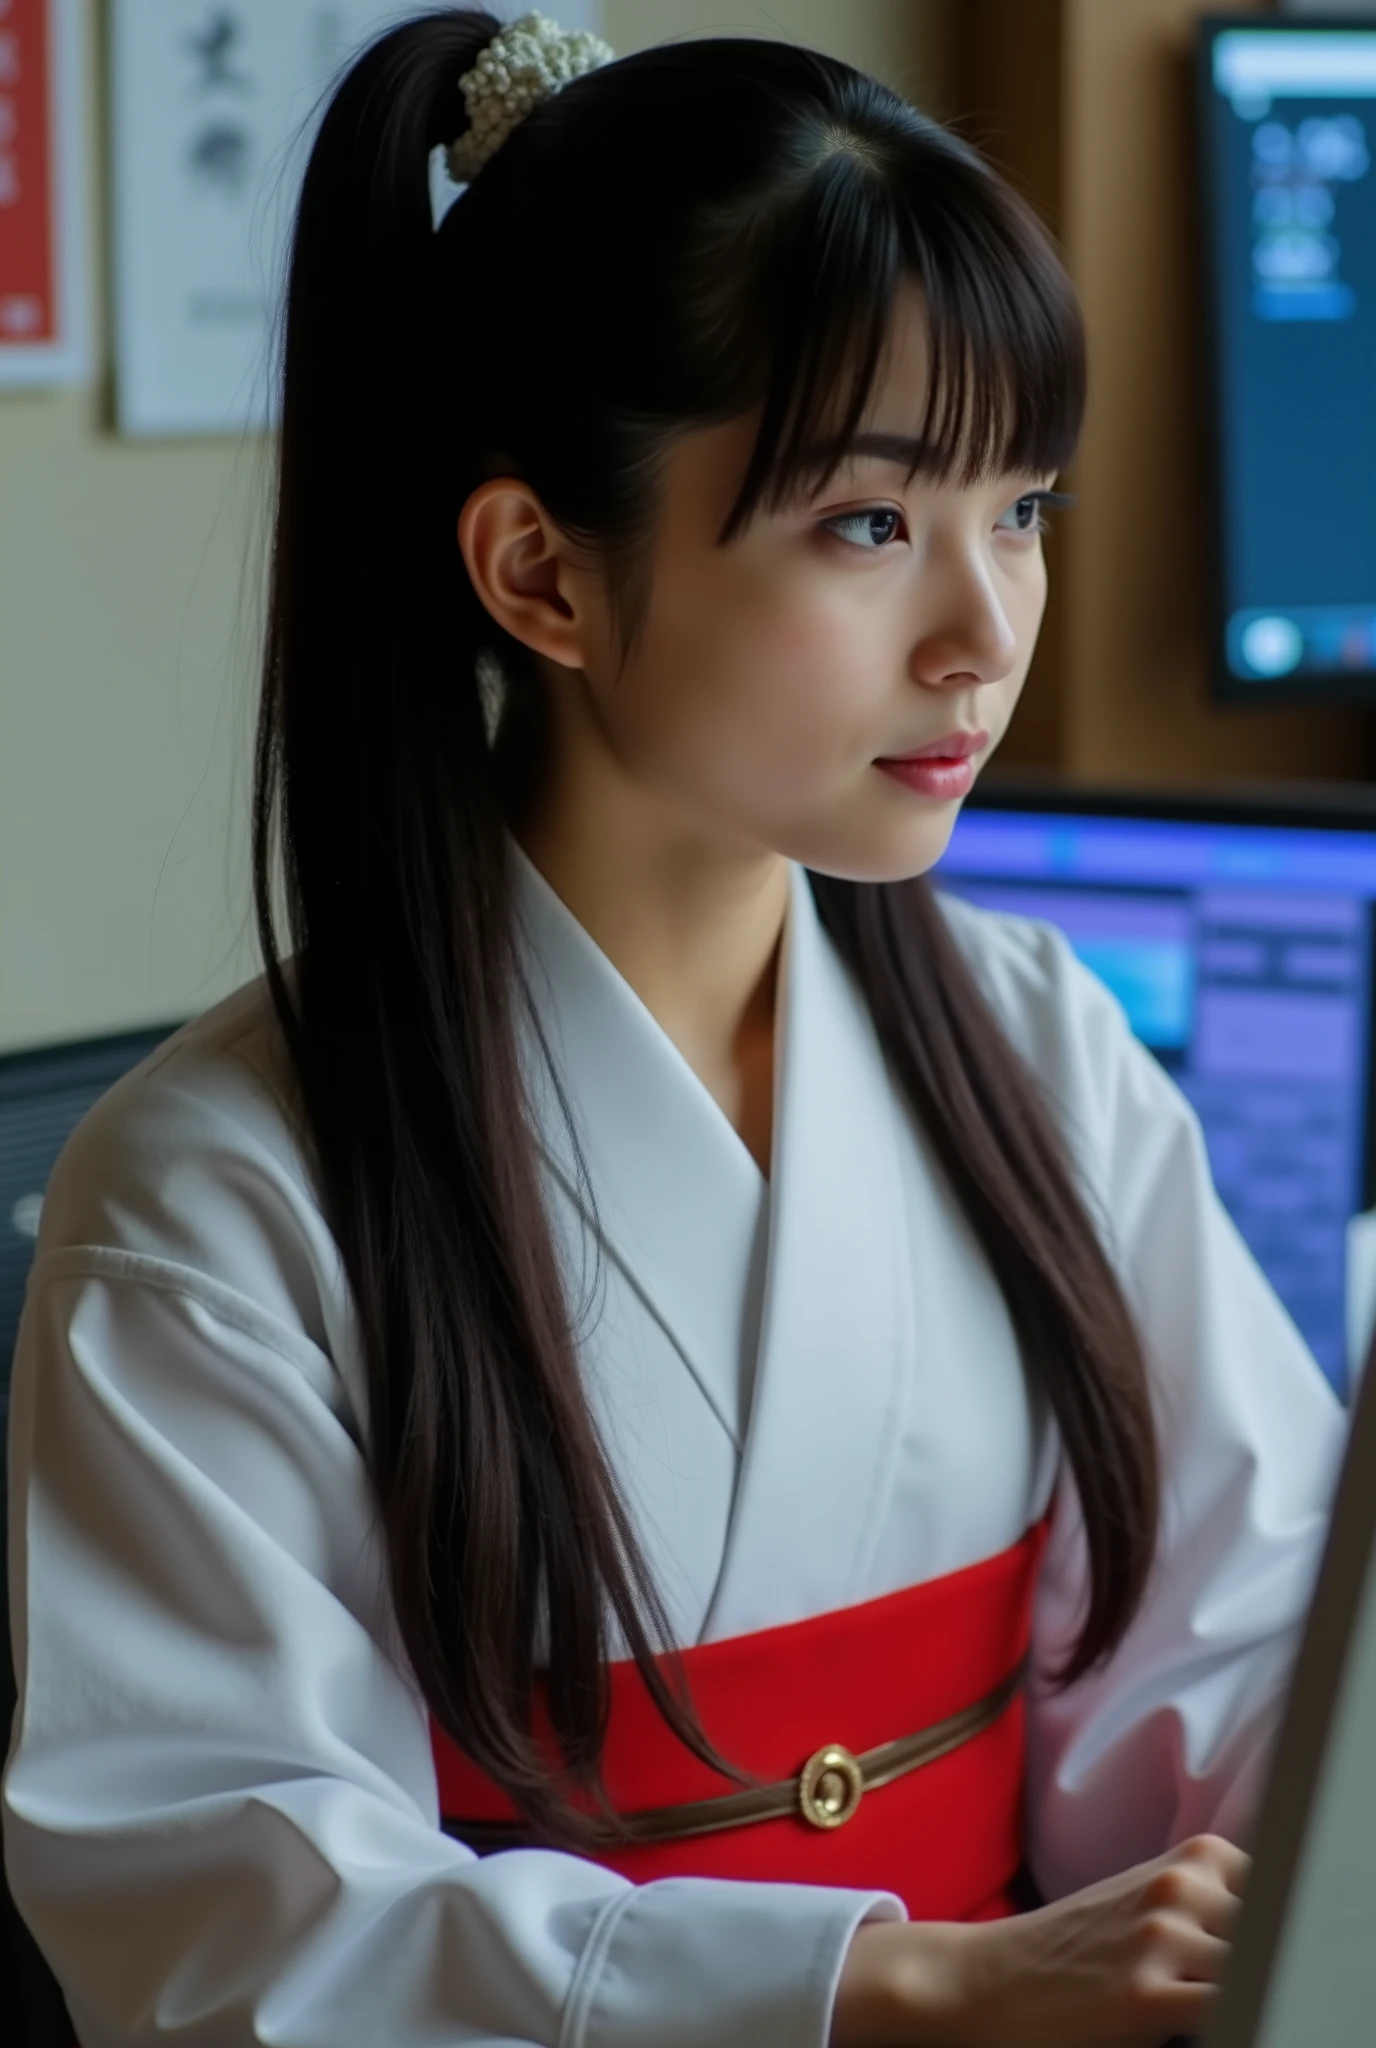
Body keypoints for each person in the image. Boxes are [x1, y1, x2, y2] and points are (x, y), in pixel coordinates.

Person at [2, 11, 1345, 2046]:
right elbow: (240, 1936)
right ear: (538, 567)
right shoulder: (216, 1203)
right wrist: (875, 1983)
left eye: (1025, 509)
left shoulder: (1032, 1045)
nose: (986, 630)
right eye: (872, 524)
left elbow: (1245, 1654)